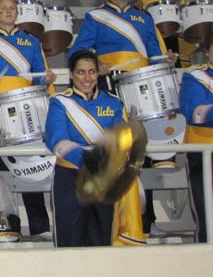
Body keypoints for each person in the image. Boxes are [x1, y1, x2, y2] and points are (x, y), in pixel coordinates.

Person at [0, 0, 56, 239]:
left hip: (27, 108)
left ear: (17, 13)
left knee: (30, 164)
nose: (8, 12)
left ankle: (40, 226)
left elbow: (37, 76)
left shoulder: (31, 41)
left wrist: (45, 79)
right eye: (3, 9)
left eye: (12, 9)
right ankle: (3, 223)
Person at [44, 50, 144, 247]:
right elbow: (57, 140)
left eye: (91, 72)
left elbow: (122, 139)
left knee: (101, 242)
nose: (87, 78)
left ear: (98, 73)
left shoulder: (114, 103)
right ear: (71, 74)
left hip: (104, 180)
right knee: (69, 245)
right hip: (70, 178)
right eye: (80, 72)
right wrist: (89, 159)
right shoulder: (59, 102)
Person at [68, 0, 176, 77]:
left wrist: (165, 60)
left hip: (143, 78)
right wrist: (96, 64)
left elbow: (154, 56)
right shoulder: (95, 17)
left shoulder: (145, 17)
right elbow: (77, 52)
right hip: (109, 78)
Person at [179, 32, 213, 243]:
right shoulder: (194, 76)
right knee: (209, 219)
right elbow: (194, 112)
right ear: (206, 51)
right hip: (204, 156)